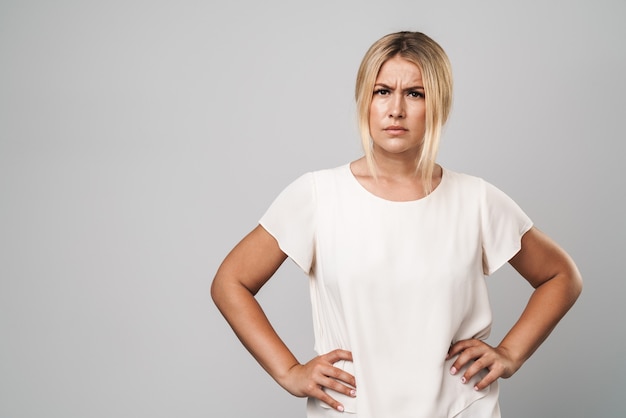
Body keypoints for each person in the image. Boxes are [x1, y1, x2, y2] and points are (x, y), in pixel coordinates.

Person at [211, 31, 582, 417]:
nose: (396, 109)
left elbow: (561, 276)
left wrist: (509, 353)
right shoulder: (318, 195)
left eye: (415, 94)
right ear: (364, 101)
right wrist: (288, 371)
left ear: (438, 105)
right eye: (382, 91)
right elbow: (230, 282)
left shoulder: (476, 199)